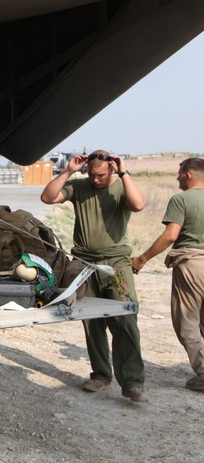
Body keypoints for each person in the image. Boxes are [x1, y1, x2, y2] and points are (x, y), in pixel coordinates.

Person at [41, 150, 148, 402]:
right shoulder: (79, 186)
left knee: (125, 319)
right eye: (91, 174)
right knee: (91, 321)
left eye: (100, 175)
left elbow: (139, 205)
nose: (96, 179)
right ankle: (101, 375)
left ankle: (133, 382)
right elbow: (47, 197)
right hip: (85, 264)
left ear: (111, 169)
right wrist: (68, 171)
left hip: (116, 265)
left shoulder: (122, 186)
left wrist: (124, 171)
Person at [132, 157, 204, 392]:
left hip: (192, 265)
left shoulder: (181, 199)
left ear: (189, 175)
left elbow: (171, 235)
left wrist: (142, 258)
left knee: (187, 321)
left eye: (180, 173)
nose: (177, 177)